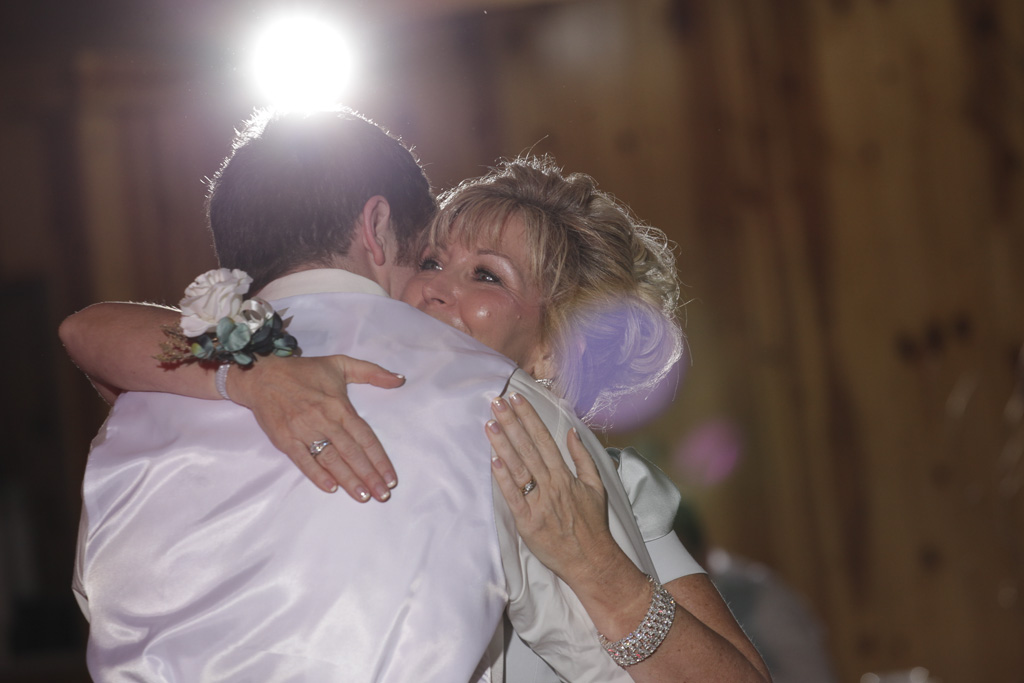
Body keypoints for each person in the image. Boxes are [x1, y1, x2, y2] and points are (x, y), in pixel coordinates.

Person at [63, 109, 770, 682]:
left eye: (487, 276)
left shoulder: (560, 453)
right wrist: (249, 375)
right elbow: (90, 332)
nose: (434, 287)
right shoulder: (267, 374)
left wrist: (600, 571)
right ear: (381, 236)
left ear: (554, 348)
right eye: (430, 259)